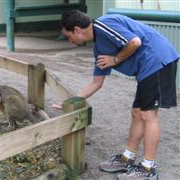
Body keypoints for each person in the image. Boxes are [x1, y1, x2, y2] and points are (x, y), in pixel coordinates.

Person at [59, 10, 179, 180]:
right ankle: (127, 158)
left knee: (147, 115)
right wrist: (71, 101)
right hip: (146, 69)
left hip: (157, 60)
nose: (70, 41)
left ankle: (148, 169)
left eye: (68, 36)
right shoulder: (99, 47)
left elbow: (135, 42)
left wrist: (115, 59)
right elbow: (96, 83)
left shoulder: (104, 24)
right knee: (137, 113)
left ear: (77, 29)